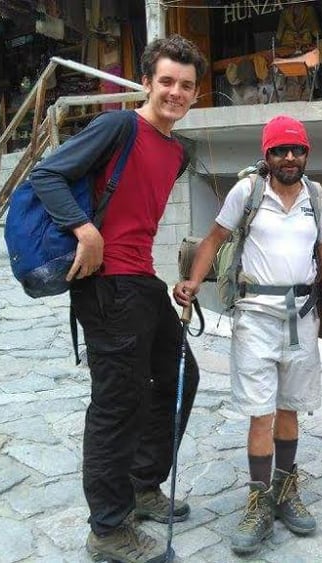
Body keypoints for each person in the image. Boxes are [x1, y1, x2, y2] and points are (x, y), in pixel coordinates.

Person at [29, 35, 206, 563]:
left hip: (141, 281)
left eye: (186, 85)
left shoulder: (176, 151)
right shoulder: (119, 126)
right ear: (147, 83)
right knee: (117, 404)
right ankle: (108, 529)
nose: (176, 92)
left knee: (179, 378)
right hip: (106, 284)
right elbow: (46, 174)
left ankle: (142, 484)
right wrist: (85, 230)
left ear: (196, 94)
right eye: (166, 81)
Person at [174, 114, 322, 555]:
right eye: (279, 150)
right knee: (261, 413)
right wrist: (193, 282)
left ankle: (286, 491)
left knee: (290, 407)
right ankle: (258, 500)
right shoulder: (247, 191)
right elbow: (214, 238)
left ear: (306, 153)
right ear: (267, 155)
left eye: (297, 150)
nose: (289, 157)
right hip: (255, 317)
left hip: (301, 317)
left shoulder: (315, 196)